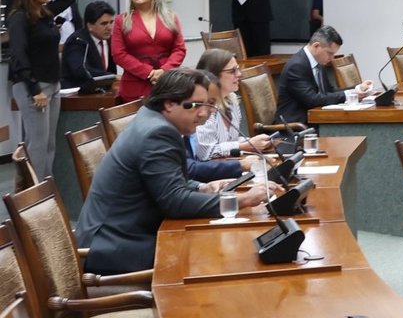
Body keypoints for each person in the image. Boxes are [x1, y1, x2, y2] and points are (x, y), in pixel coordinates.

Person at [76, 67, 271, 274]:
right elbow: (175, 201)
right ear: (169, 104)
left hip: (123, 236)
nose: (203, 113)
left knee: (215, 246)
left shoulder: (153, 120)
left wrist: (202, 188)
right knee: (215, 255)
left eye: (206, 104)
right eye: (194, 105)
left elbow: (165, 181)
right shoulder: (157, 132)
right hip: (116, 246)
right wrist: (242, 200)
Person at [6, 0, 64, 178]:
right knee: (37, 144)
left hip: (53, 83)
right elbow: (18, 55)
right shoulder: (19, 17)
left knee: (49, 143)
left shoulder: (44, 14)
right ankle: (36, 191)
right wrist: (34, 89)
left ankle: (47, 185)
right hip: (33, 85)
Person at [272, 25, 377, 124]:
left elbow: (328, 91)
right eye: (330, 53)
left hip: (316, 121)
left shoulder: (318, 63)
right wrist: (349, 94)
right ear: (316, 46)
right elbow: (312, 99)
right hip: (295, 126)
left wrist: (357, 89)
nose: (332, 58)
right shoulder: (296, 66)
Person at [110, 0, 188, 102]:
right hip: (135, 86)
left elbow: (179, 49)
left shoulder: (170, 17)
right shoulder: (122, 20)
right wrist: (148, 72)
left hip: (168, 84)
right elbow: (118, 54)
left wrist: (164, 70)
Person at [193, 48, 273, 160]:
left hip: (230, 163)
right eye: (232, 71)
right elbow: (206, 153)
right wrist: (245, 146)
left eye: (238, 69)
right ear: (213, 75)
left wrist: (252, 142)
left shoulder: (232, 99)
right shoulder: (204, 107)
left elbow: (231, 141)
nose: (239, 74)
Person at [61, 0, 119, 90]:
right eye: (104, 24)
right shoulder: (77, 41)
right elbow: (80, 69)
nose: (109, 28)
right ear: (90, 26)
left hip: (102, 90)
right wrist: (111, 76)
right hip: (78, 92)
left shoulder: (108, 39)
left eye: (111, 22)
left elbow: (110, 68)